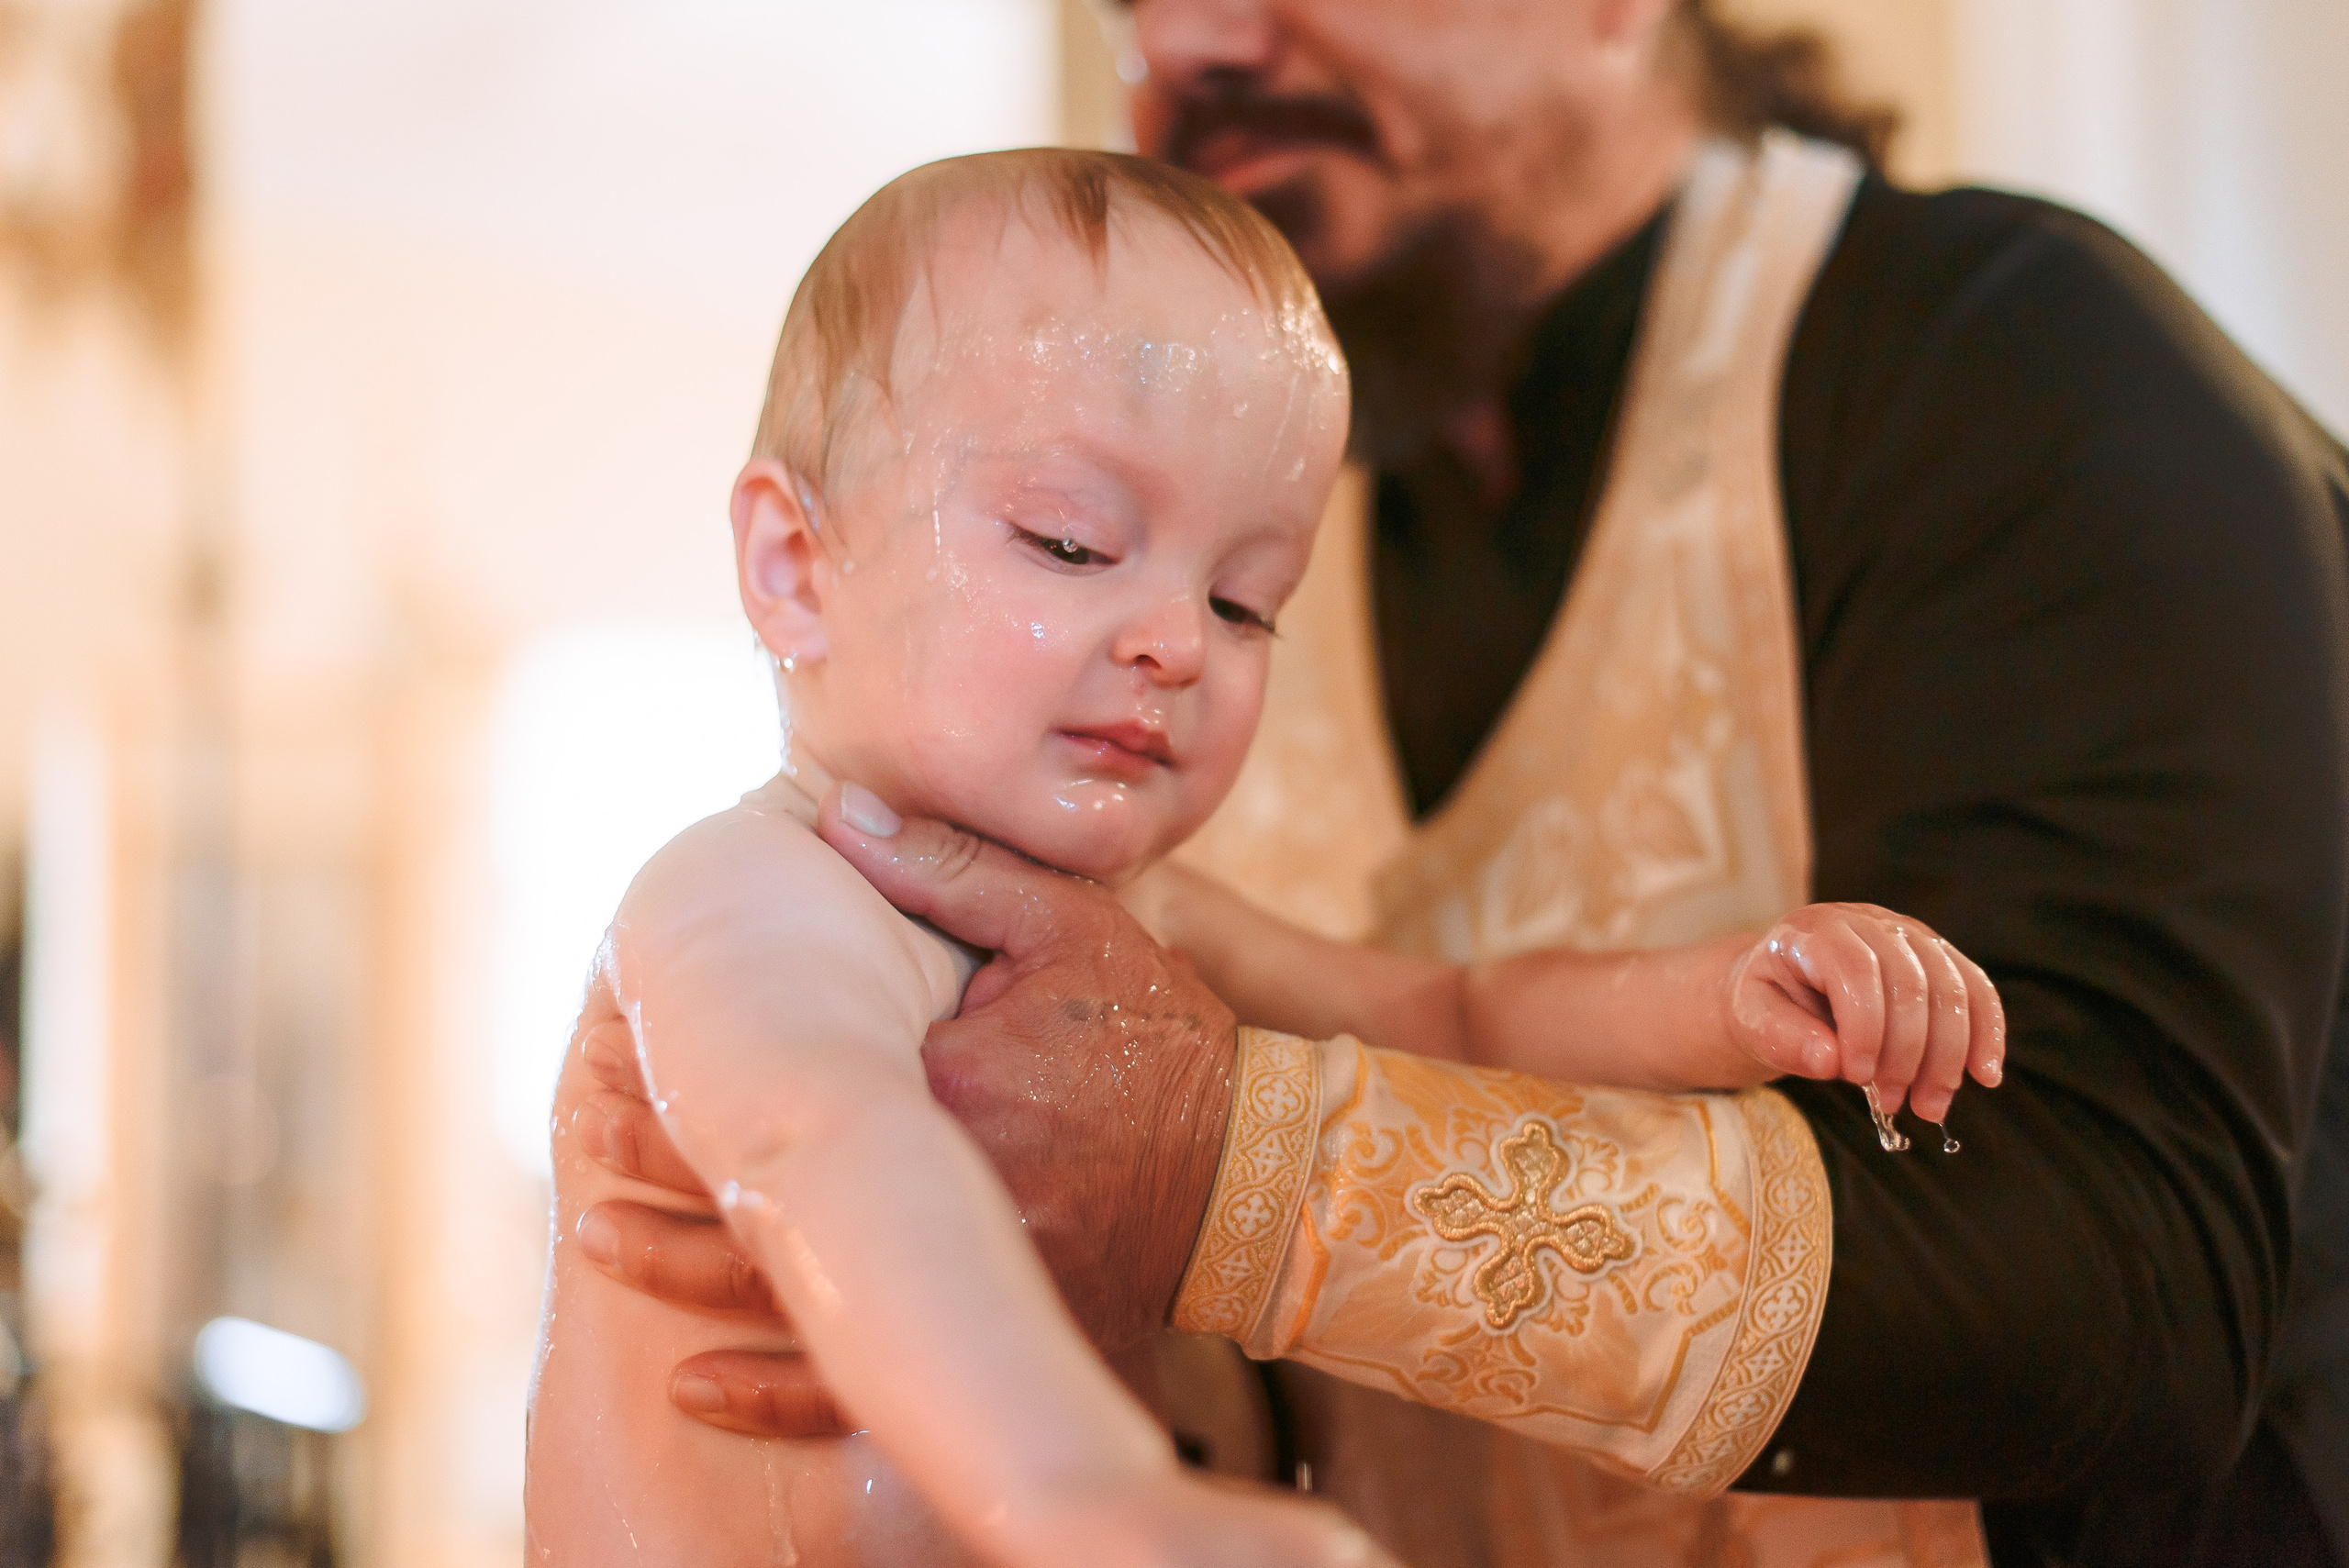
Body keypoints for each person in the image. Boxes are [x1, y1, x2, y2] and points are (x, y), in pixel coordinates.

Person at [573, 3, 2349, 1565]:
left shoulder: (2015, 364)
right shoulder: (1174, 565)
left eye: (1238, 599)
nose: (1187, 37)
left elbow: (2140, 1297)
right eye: (1066, 541)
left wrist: (1226, 1169)